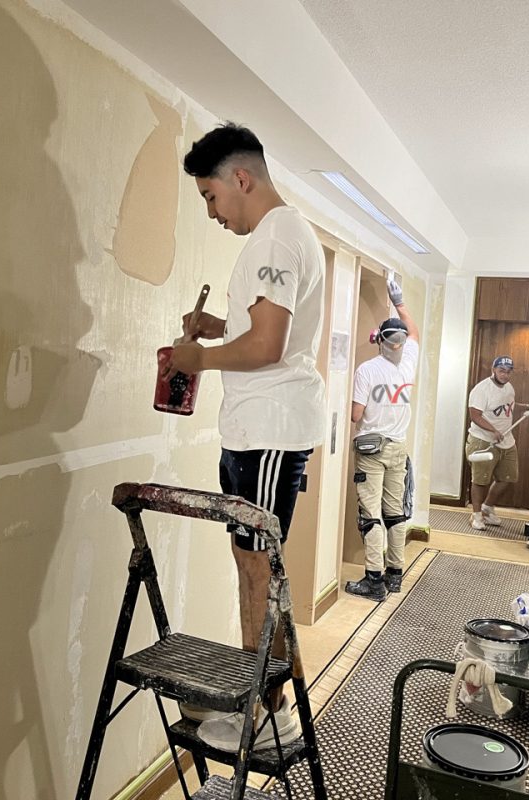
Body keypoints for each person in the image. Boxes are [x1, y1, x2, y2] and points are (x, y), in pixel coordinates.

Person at [168, 123, 326, 750]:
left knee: (259, 569)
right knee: (255, 564)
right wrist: (216, 324)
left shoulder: (277, 235)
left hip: (269, 432)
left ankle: (267, 717)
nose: (211, 213)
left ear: (241, 178)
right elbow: (261, 329)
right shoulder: (279, 235)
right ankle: (270, 706)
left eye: (210, 197)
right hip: (259, 429)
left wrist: (196, 360)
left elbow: (268, 346)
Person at [345, 279, 420, 602]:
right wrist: (399, 302)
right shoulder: (409, 361)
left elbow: (355, 415)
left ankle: (374, 581)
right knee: (395, 513)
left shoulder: (367, 370)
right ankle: (395, 574)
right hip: (398, 448)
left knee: (371, 514)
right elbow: (414, 333)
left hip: (372, 450)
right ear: (400, 343)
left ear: (379, 340)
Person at [464, 356, 529, 530]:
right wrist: (493, 430)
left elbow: (509, 406)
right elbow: (475, 415)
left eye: (509, 372)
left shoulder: (509, 387)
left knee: (507, 478)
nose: (505, 375)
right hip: (483, 441)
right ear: (493, 369)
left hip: (507, 441)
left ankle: (487, 508)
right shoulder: (482, 390)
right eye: (502, 371)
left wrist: (524, 407)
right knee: (480, 480)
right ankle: (476, 515)